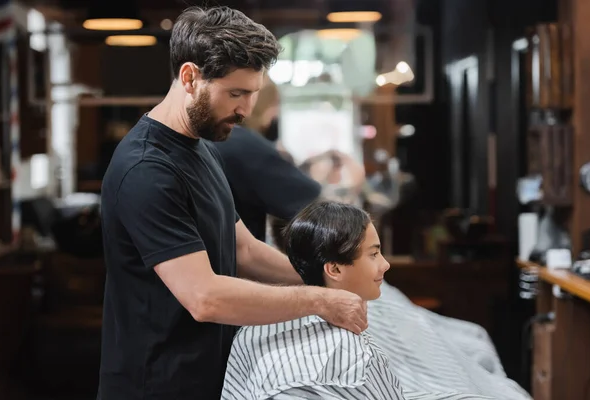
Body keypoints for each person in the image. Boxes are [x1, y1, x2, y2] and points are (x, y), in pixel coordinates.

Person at [97, 7, 367, 400]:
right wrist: (320, 299)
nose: (246, 110)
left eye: (253, 94)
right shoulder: (146, 169)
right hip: (155, 385)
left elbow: (243, 249)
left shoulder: (202, 149)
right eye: (235, 94)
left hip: (206, 379)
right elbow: (204, 297)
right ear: (190, 77)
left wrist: (329, 275)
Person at [221, 201, 404, 399]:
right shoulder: (354, 357)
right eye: (374, 254)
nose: (385, 264)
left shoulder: (249, 333)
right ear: (334, 269)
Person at [212, 76, 321, 242]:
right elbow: (310, 199)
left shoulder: (215, 139)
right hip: (241, 256)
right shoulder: (246, 146)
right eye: (275, 104)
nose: (276, 113)